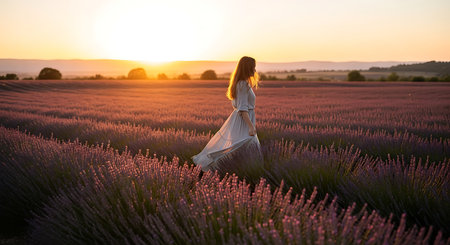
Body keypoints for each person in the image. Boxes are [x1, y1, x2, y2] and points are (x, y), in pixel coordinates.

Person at [192, 56, 262, 171]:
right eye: (253, 67)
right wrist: (251, 127)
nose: (255, 70)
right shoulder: (242, 84)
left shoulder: (242, 83)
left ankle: (227, 171)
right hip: (243, 121)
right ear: (247, 68)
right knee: (244, 147)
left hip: (242, 119)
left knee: (238, 147)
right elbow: (243, 108)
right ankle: (215, 171)